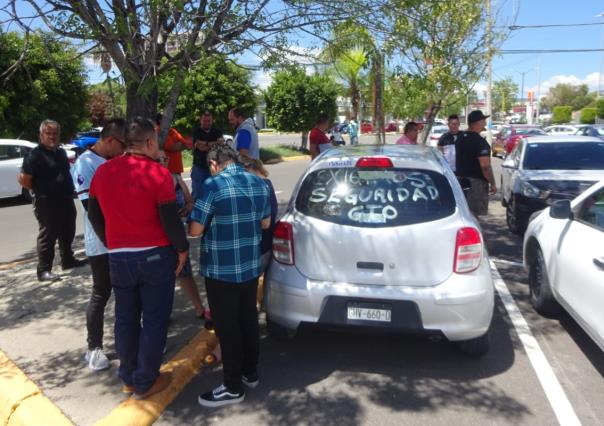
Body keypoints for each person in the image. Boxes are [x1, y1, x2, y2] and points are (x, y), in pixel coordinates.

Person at [88, 117, 189, 400]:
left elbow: (94, 214)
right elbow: (169, 220)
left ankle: (128, 378)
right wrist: (182, 249)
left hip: (119, 258)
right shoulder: (158, 175)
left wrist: (112, 243)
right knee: (155, 319)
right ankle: (145, 380)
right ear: (147, 142)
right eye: (156, 142)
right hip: (155, 256)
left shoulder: (103, 173)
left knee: (125, 318)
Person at [189, 144, 271, 408]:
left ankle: (232, 387)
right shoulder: (258, 182)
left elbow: (195, 230)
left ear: (214, 164)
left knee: (228, 327)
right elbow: (266, 223)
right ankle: (250, 373)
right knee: (248, 319)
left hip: (221, 270)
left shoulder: (213, 186)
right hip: (249, 266)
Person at [71, 118, 127, 371]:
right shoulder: (86, 163)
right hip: (102, 243)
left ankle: (130, 340)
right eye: (122, 144)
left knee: (127, 291)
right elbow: (91, 209)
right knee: (101, 292)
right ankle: (94, 348)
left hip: (122, 240)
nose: (124, 150)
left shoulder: (113, 160)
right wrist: (109, 239)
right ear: (110, 140)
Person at [18, 119, 88, 282]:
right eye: (48, 133)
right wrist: (38, 189)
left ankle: (68, 261)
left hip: (65, 198)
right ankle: (43, 270)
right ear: (41, 135)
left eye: (55, 133)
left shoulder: (61, 152)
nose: (52, 137)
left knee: (68, 230)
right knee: (48, 235)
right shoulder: (34, 154)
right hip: (46, 201)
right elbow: (24, 179)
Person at [156, 152, 205, 318]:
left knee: (184, 273)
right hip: (158, 236)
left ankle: (199, 308)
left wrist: (186, 209)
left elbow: (190, 201)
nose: (163, 162)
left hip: (177, 233)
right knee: (161, 278)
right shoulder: (151, 181)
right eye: (159, 159)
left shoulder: (176, 178)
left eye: (165, 159)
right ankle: (162, 312)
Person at [456, 110, 497, 216]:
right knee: (474, 216)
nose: (485, 123)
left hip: (460, 182)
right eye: (483, 120)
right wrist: (492, 183)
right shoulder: (480, 142)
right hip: (475, 184)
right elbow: (485, 166)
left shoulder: (460, 138)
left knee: (463, 215)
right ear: (477, 122)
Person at [191, 111, 224, 199]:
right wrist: (215, 143)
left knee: (215, 194)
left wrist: (205, 143)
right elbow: (200, 147)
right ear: (200, 121)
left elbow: (221, 144)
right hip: (199, 167)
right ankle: (195, 212)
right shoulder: (196, 132)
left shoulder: (217, 131)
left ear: (212, 121)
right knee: (197, 194)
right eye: (205, 121)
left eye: (209, 121)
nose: (207, 123)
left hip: (214, 167)